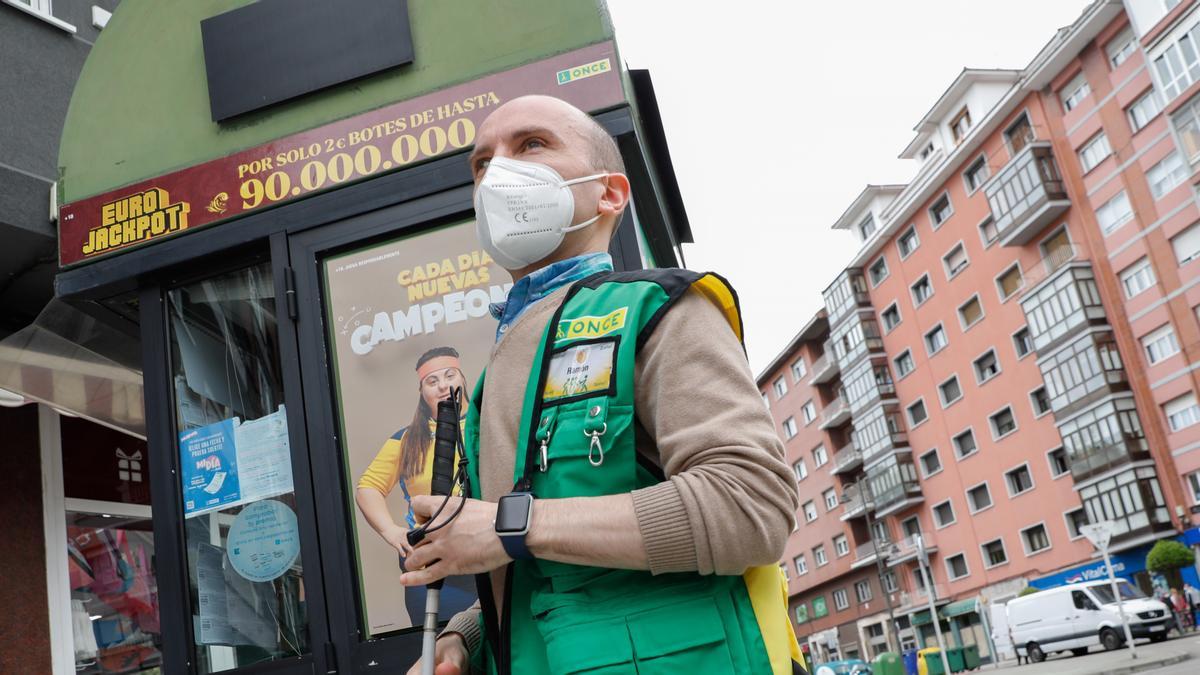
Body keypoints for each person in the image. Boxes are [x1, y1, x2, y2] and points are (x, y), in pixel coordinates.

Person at [400, 95, 802, 674]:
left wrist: (513, 526)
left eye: (532, 144)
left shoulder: (658, 308)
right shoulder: (495, 372)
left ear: (609, 193)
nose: (498, 174)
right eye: (482, 164)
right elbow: (552, 563)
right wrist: (466, 636)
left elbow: (751, 505)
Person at [355, 346, 474, 624]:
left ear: (463, 379)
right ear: (422, 392)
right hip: (431, 564)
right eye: (432, 381)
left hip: (486, 553)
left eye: (449, 375)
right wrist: (391, 531)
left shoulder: (487, 423)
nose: (443, 386)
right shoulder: (406, 440)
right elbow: (368, 487)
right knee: (443, 650)